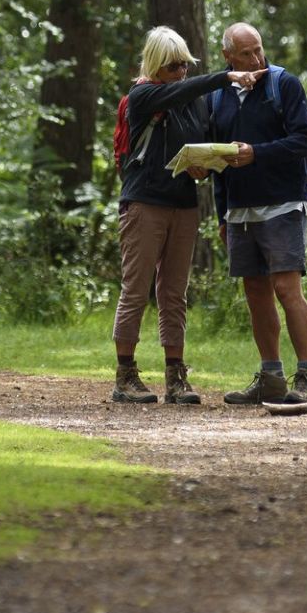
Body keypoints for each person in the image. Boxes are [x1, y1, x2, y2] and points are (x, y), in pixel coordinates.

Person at [112, 26, 263, 404]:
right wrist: (226, 76)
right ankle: (125, 375)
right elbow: (181, 91)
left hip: (183, 204)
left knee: (174, 293)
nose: (180, 73)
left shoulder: (195, 101)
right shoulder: (142, 95)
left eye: (184, 65)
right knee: (135, 290)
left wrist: (207, 166)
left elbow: (204, 140)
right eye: (172, 66)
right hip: (144, 203)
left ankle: (175, 376)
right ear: (156, 66)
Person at [211, 22, 307, 405]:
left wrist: (256, 152)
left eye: (259, 50)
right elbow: (220, 158)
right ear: (228, 56)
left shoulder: (284, 85)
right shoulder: (219, 97)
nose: (256, 59)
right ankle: (271, 378)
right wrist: (222, 214)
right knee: (256, 292)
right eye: (246, 54)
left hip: (284, 202)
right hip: (240, 209)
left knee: (286, 288)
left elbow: (302, 140)